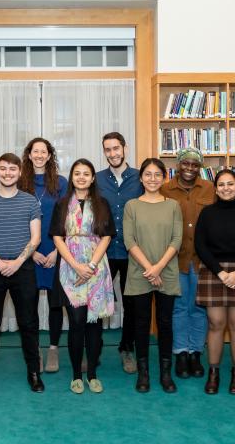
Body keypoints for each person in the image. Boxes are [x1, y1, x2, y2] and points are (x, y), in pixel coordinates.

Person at [0, 153, 44, 395]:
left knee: (29, 323)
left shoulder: (29, 201)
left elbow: (35, 238)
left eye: (12, 169)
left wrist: (17, 262)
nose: (7, 173)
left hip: (22, 268)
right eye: (3, 169)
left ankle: (34, 373)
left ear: (20, 172)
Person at [51, 158, 115, 394]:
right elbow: (57, 236)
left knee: (94, 323)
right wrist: (77, 266)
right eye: (77, 173)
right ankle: (77, 374)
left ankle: (92, 374)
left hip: (96, 266)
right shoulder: (62, 204)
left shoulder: (101, 203)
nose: (81, 177)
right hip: (70, 266)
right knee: (77, 322)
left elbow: (106, 236)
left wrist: (90, 265)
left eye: (86, 173)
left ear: (92, 178)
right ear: (72, 178)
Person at [195, 169, 235, 394]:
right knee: (215, 323)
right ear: (215, 188)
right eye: (221, 184)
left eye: (230, 184)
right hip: (214, 271)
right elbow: (200, 245)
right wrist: (220, 272)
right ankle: (213, 373)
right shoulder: (207, 213)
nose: (226, 188)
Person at [123, 158, 182, 393]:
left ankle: (166, 373)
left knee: (165, 323)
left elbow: (176, 240)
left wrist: (158, 268)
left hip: (166, 271)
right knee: (141, 323)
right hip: (140, 272)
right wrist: (150, 268)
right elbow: (129, 241)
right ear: (141, 178)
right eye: (148, 174)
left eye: (158, 174)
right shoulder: (132, 206)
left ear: (164, 177)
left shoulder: (173, 205)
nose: (153, 179)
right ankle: (143, 373)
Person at [160, 147, 215, 379]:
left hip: (202, 260)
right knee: (180, 309)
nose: (190, 168)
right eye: (186, 163)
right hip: (175, 259)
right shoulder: (165, 189)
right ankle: (180, 353)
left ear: (200, 167)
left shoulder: (210, 189)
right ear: (178, 164)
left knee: (199, 309)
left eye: (195, 165)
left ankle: (195, 353)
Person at [19, 138, 67, 373]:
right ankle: (34, 349)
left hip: (57, 249)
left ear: (49, 156)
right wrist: (31, 253)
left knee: (55, 303)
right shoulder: (18, 182)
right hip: (29, 252)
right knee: (29, 304)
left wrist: (59, 251)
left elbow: (70, 219)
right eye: (34, 151)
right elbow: (14, 222)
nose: (39, 155)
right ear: (28, 155)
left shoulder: (61, 183)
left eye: (43, 152)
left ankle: (53, 349)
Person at [96, 132, 143, 373]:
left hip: (131, 251)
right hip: (103, 251)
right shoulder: (96, 179)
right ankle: (94, 349)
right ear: (104, 152)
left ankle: (127, 348)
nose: (113, 153)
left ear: (125, 148)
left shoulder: (139, 178)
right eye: (108, 149)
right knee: (97, 302)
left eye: (116, 148)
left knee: (132, 304)